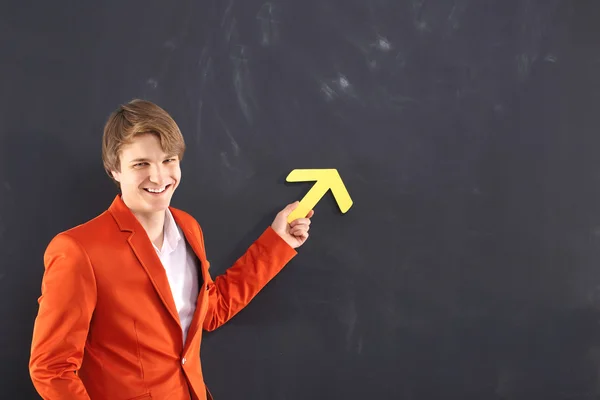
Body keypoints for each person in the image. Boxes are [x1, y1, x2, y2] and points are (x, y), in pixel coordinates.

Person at [29, 99, 313, 400]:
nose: (159, 177)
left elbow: (209, 311)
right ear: (114, 169)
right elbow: (51, 368)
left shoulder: (188, 227)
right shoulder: (78, 250)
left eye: (168, 160)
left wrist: (277, 242)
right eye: (141, 164)